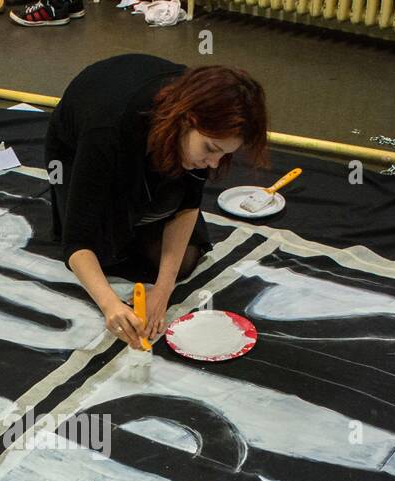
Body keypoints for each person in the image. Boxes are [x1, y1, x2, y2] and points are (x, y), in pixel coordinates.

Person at [45, 54, 268, 346]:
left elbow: (189, 204)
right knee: (104, 254)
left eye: (224, 155)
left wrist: (163, 291)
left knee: (184, 259)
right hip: (82, 145)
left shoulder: (199, 124)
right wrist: (111, 306)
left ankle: (137, 217)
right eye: (210, 148)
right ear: (188, 120)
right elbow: (76, 242)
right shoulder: (107, 131)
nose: (214, 163)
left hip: (151, 133)